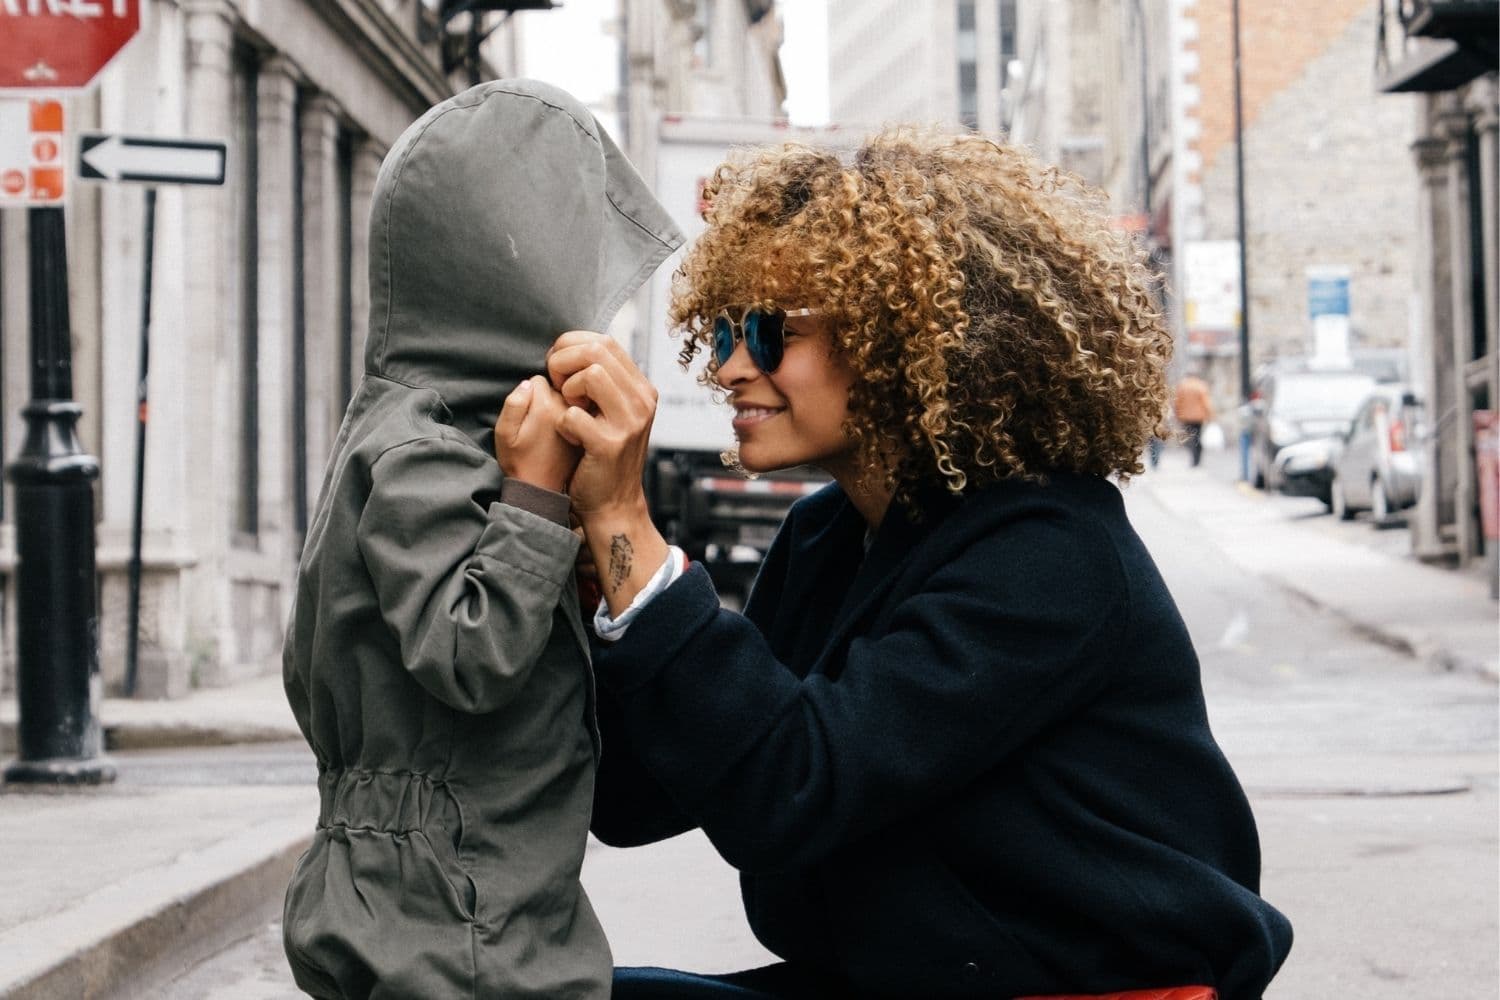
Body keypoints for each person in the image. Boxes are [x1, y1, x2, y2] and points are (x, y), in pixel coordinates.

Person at [513, 129, 1292, 999]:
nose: (730, 366)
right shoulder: (828, 538)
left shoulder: (1049, 556)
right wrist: (586, 574)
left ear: (905, 339)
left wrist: (626, 524)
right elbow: (640, 798)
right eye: (727, 328)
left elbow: (790, 788)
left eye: (772, 332)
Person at [279, 80, 682, 999]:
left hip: (451, 893)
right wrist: (536, 495)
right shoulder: (423, 445)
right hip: (453, 920)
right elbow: (471, 650)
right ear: (516, 274)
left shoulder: (433, 425)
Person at [1173, 372, 1215, 467]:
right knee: (1198, 436)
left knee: (1190, 437)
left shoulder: (1182, 386)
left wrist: (1177, 415)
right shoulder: (1201, 386)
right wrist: (1210, 415)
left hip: (1185, 416)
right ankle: (1197, 459)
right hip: (1198, 417)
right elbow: (1206, 402)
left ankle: (1193, 457)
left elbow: (1177, 402)